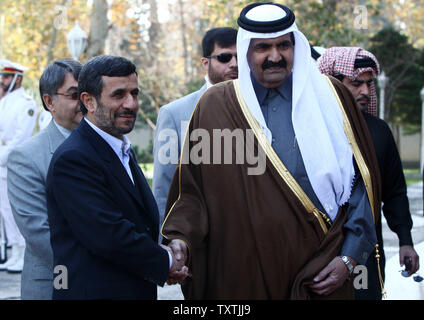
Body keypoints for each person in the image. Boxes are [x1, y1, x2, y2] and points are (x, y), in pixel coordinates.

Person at [161, 2, 382, 299]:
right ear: (245, 50)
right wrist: (180, 241)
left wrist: (349, 258)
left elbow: (361, 186)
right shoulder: (216, 106)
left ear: (296, 46)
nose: (275, 56)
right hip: (243, 275)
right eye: (262, 47)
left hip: (322, 270)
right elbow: (194, 192)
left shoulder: (332, 97)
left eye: (283, 45)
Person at [46, 55, 187, 300]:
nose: (131, 104)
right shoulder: (74, 159)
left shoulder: (119, 147)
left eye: (134, 93)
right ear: (88, 101)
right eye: (119, 95)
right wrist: (165, 260)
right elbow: (108, 235)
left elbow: (139, 219)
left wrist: (168, 247)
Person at [318, 46, 420, 299]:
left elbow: (394, 191)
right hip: (317, 249)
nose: (365, 91)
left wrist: (405, 239)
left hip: (366, 251)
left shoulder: (379, 131)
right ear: (332, 83)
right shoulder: (312, 129)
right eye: (356, 84)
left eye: (368, 83)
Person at [6, 59, 83, 299]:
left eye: (87, 93)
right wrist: (98, 266)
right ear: (49, 101)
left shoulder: (109, 145)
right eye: (74, 95)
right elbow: (39, 232)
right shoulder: (26, 157)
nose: (84, 102)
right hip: (56, 282)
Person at [153, 27, 238, 232]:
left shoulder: (261, 108)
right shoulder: (174, 114)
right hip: (199, 239)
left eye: (239, 56)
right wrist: (168, 244)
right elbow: (164, 189)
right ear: (205, 62)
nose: (234, 64)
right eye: (225, 57)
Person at [0, 59, 36, 273]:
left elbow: (19, 138)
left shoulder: (26, 103)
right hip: (2, 162)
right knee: (4, 210)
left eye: (5, 76)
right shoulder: (3, 102)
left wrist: (1, 157)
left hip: (12, 163)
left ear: (17, 78)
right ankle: (13, 251)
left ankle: (22, 252)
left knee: (14, 209)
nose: (2, 81)